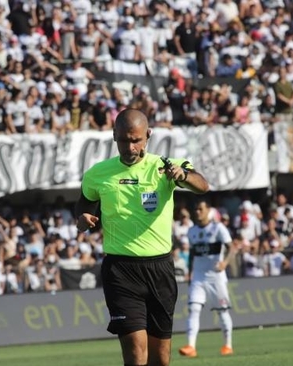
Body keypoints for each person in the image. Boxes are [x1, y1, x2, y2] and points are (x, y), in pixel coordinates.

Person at [75, 108, 209, 366]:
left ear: (147, 136)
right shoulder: (98, 174)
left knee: (160, 360)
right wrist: (82, 220)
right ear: (114, 136)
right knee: (136, 356)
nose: (130, 146)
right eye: (124, 140)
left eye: (136, 140)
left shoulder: (167, 167)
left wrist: (184, 176)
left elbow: (203, 185)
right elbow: (83, 208)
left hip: (160, 269)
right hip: (120, 271)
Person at [179, 199, 234, 358]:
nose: (198, 212)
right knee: (193, 309)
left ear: (208, 210)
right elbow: (192, 254)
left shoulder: (218, 228)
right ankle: (191, 346)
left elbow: (232, 247)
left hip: (216, 276)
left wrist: (225, 262)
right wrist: (190, 273)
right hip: (198, 276)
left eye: (200, 209)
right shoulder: (192, 231)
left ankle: (228, 345)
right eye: (196, 209)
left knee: (222, 312)